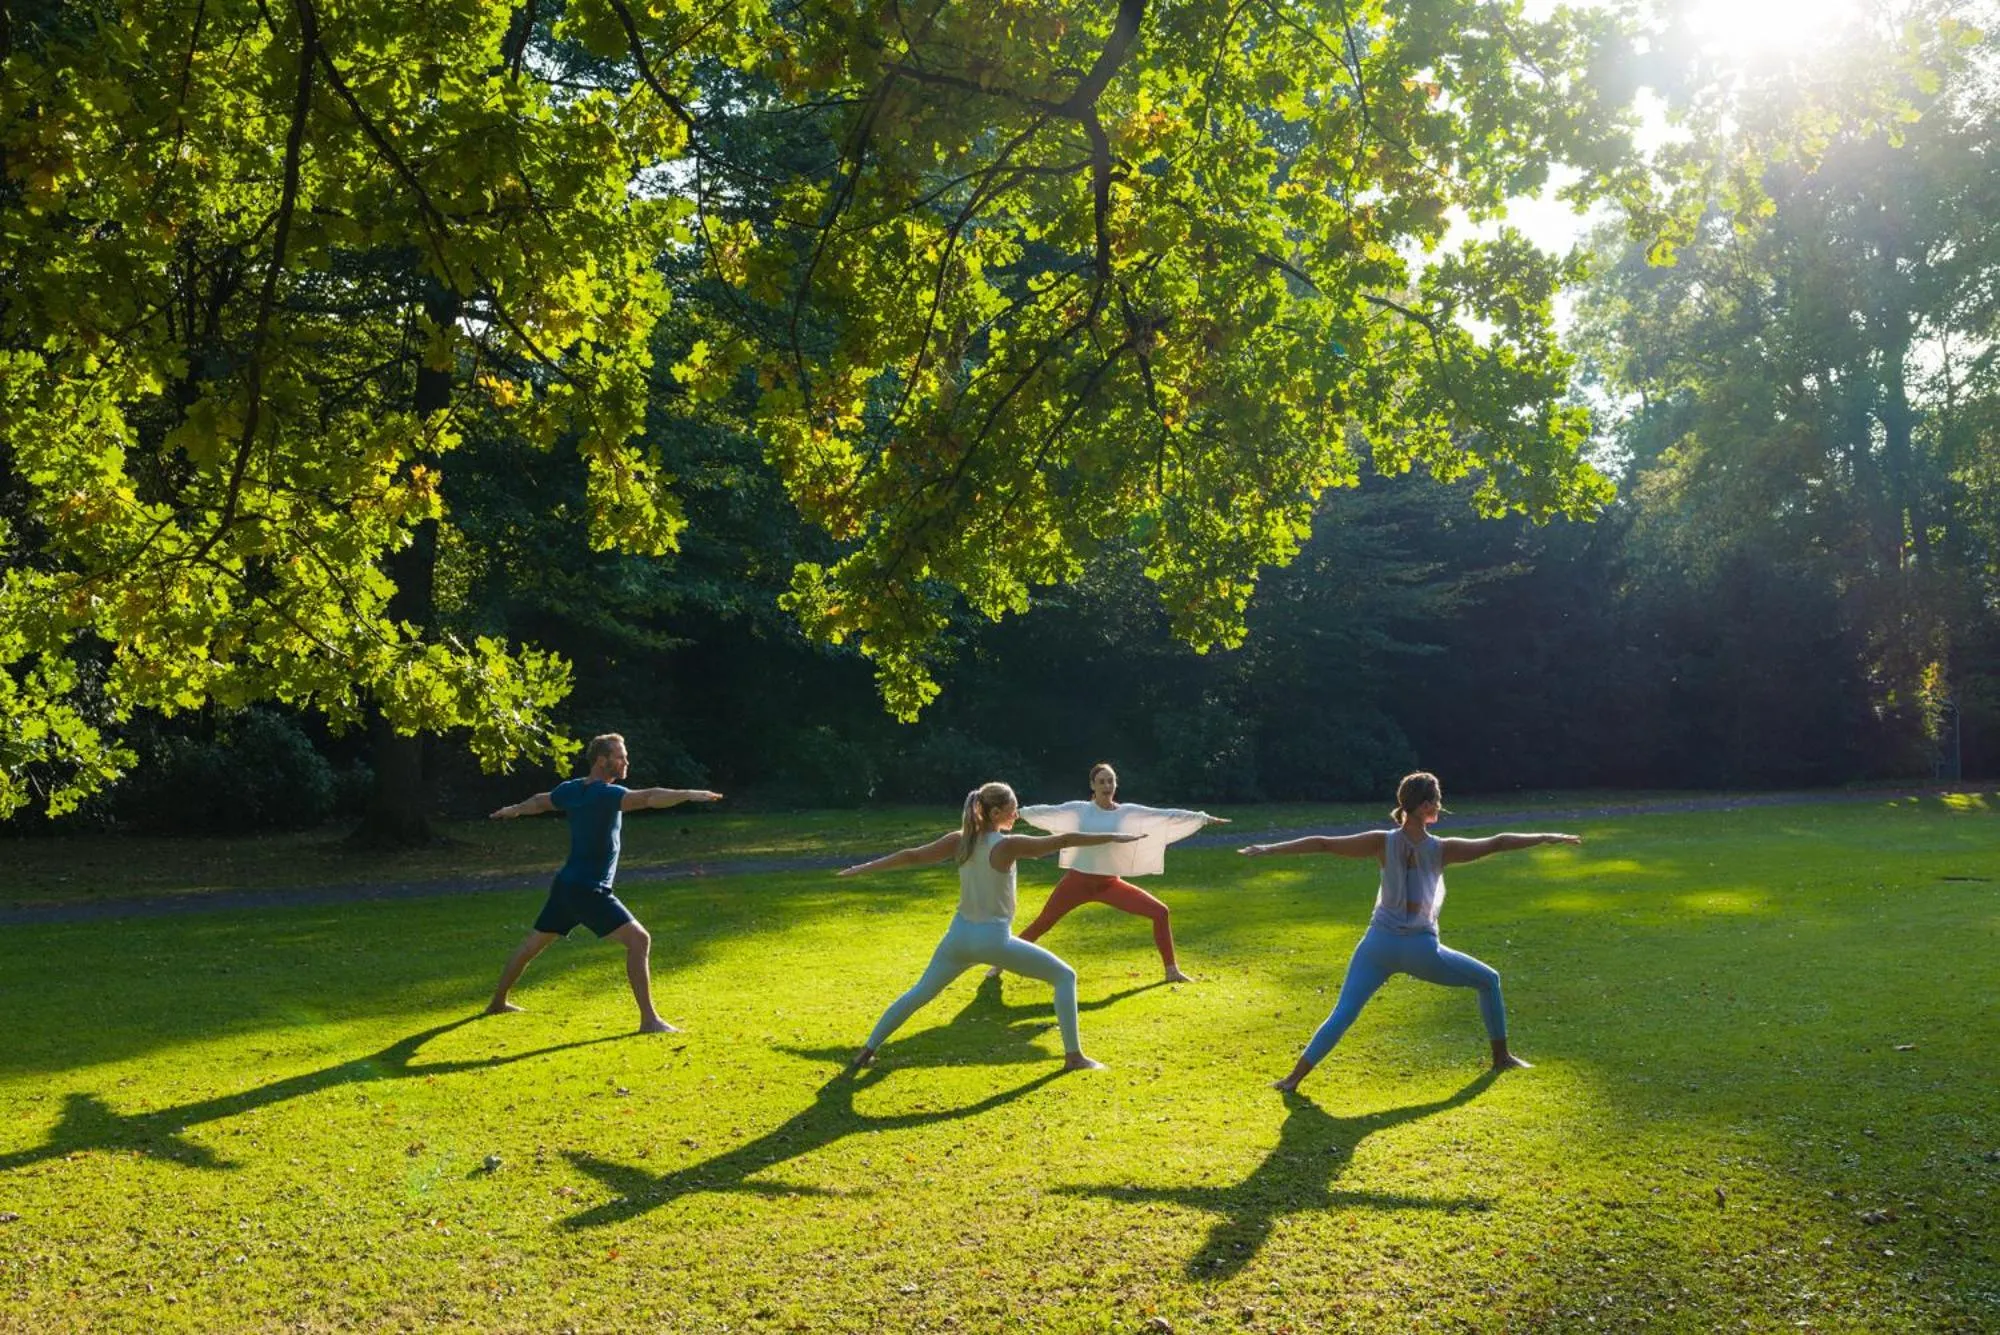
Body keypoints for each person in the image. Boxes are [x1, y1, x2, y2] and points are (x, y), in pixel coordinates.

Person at [1238, 771, 1581, 1090]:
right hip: (1420, 949)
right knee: (1488, 980)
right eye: (1437, 801)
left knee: (1343, 1013)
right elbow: (1499, 841)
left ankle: (1292, 1079)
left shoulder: (1380, 841)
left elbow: (1323, 842)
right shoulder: (1442, 848)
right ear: (1427, 806)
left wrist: (1268, 848)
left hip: (1377, 945)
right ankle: (1501, 1058)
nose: (1440, 808)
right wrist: (1548, 837)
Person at [838, 781, 1146, 1072]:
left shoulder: (959, 840)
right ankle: (1074, 1057)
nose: (1017, 813)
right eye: (1013, 808)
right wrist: (1115, 837)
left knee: (920, 993)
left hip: (958, 937)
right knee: (1065, 976)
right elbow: (1063, 841)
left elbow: (911, 856)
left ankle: (867, 1049)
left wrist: (861, 868)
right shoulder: (1007, 845)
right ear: (996, 813)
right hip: (993, 940)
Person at [485, 733, 723, 1032]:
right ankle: (650, 1020)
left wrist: (514, 809)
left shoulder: (572, 790)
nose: (626, 762)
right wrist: (689, 793)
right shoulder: (605, 795)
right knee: (639, 940)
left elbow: (539, 802)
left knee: (532, 944)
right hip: (588, 889)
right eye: (620, 756)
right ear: (602, 760)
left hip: (566, 885)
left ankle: (497, 1003)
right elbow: (648, 797)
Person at [999, 762, 1228, 983]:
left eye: (1111, 781)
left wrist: (1202, 818)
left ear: (1116, 784)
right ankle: (999, 963)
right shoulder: (1080, 810)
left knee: (1160, 912)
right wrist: (1018, 812)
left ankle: (1171, 971)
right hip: (1077, 882)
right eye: (1101, 782)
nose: (1107, 786)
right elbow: (1050, 812)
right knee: (1043, 923)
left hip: (1109, 884)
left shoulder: (1127, 812)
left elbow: (1163, 815)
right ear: (1092, 785)